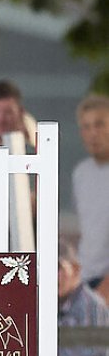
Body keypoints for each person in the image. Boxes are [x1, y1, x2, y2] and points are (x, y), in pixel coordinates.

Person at [72, 94, 109, 289]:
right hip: (85, 279)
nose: (93, 133)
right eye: (86, 127)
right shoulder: (81, 173)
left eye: (100, 124)